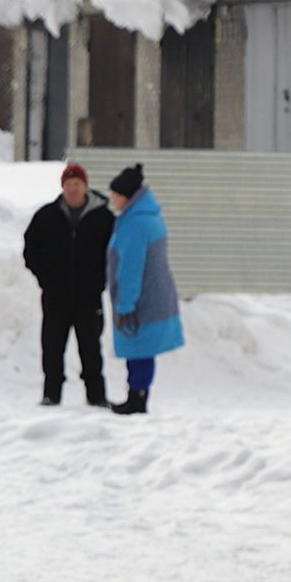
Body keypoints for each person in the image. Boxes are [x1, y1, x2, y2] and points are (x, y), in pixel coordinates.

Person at [21, 162, 114, 407]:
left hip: (88, 296)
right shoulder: (46, 216)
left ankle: (96, 396)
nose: (73, 189)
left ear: (85, 186)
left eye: (77, 184)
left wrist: (101, 280)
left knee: (91, 348)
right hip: (55, 296)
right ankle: (51, 394)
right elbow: (30, 250)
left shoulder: (103, 218)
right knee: (52, 347)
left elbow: (115, 253)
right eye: (68, 185)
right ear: (62, 187)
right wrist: (45, 278)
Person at [105, 163, 184, 414]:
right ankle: (137, 395)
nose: (111, 199)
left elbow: (131, 269)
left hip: (141, 299)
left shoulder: (135, 224)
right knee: (142, 349)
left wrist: (126, 304)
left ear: (126, 195)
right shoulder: (146, 216)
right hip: (152, 295)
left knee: (139, 348)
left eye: (114, 194)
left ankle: (136, 399)